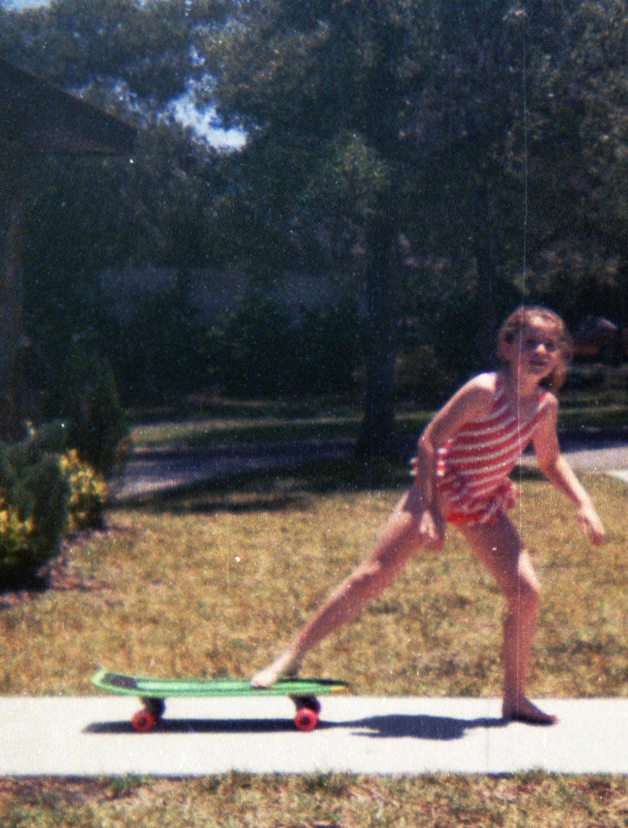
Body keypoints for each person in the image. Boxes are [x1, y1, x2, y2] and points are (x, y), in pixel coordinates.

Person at [250, 305, 606, 724]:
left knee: (526, 592)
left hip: (482, 501)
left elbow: (551, 461)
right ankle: (290, 657)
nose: (541, 351)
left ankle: (515, 699)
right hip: (438, 486)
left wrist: (584, 503)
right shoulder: (484, 390)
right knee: (370, 576)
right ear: (508, 347)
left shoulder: (544, 406)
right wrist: (430, 508)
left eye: (550, 345)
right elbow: (430, 439)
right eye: (530, 342)